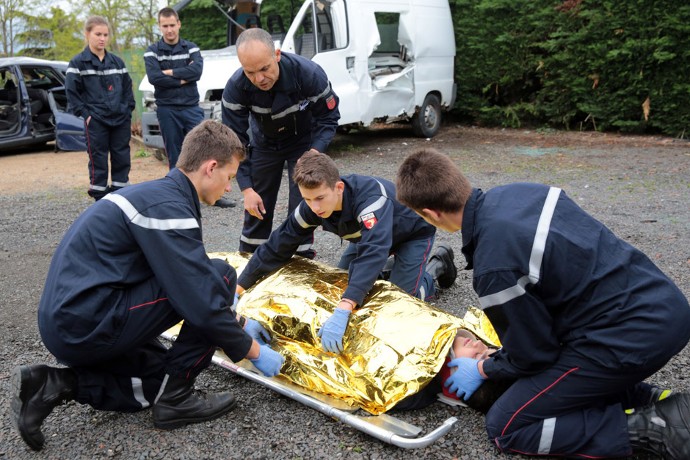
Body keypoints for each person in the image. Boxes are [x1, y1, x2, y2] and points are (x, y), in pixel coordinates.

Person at [395, 147, 690, 459]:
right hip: (664, 305)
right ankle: (655, 400)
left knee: (507, 426)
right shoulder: (526, 192)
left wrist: (483, 367)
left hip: (631, 336)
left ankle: (657, 428)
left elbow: (535, 355)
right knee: (562, 374)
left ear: (430, 214)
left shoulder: (495, 266)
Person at [10, 120, 284, 452]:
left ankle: (55, 384)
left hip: (75, 320)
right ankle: (178, 400)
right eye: (229, 177)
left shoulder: (157, 195)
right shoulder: (167, 209)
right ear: (211, 167)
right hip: (86, 323)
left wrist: (238, 324)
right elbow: (199, 296)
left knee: (157, 381)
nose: (229, 188)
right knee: (220, 277)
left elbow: (175, 275)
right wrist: (252, 351)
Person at [236, 150, 457, 354]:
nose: (315, 207)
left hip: (411, 234)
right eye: (307, 199)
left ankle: (436, 267)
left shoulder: (371, 201)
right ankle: (387, 271)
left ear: (339, 188)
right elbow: (278, 244)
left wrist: (346, 306)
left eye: (320, 198)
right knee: (338, 285)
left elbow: (373, 252)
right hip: (368, 237)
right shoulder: (313, 206)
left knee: (398, 302)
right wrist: (239, 286)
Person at [221, 28, 340, 257]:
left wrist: (314, 153)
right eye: (250, 72)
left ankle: (300, 260)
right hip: (265, 144)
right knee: (258, 205)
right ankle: (249, 262)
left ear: (277, 54)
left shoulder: (308, 74)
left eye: (265, 69)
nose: (259, 79)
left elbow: (328, 118)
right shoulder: (236, 88)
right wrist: (246, 189)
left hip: (303, 144)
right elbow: (235, 142)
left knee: (303, 206)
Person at [144, 7, 235, 208]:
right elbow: (154, 77)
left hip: (190, 107)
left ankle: (215, 194)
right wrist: (182, 78)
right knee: (175, 154)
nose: (169, 30)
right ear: (160, 27)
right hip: (167, 109)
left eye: (172, 25)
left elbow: (196, 72)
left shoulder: (191, 48)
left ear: (179, 24)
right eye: (164, 26)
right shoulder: (152, 51)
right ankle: (179, 197)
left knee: (206, 149)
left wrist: (169, 73)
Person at [65, 16, 135, 201]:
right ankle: (100, 197)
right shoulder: (77, 63)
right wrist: (86, 115)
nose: (102, 38)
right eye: (98, 34)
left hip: (120, 118)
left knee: (122, 156)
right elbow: (72, 92)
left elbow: (128, 88)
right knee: (98, 158)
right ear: (87, 34)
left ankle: (121, 195)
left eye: (105, 34)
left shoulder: (117, 63)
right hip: (96, 120)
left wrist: (128, 110)